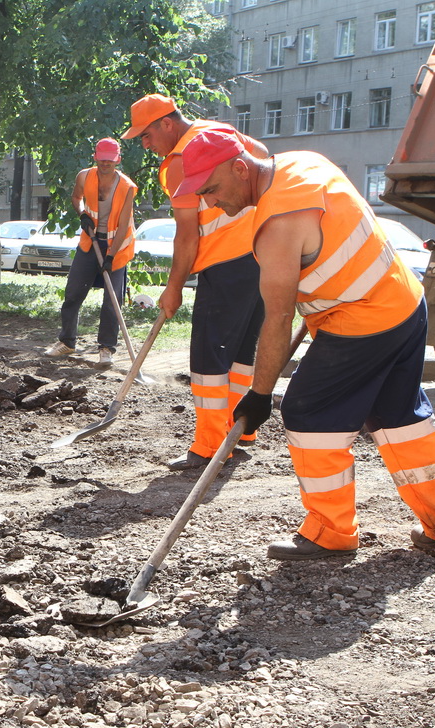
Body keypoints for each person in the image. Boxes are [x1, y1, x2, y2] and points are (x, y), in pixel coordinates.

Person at [172, 126, 435, 560]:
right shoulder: (303, 162)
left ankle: (331, 531)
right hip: (403, 301)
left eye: (211, 189)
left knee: (308, 412)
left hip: (362, 320)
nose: (209, 203)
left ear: (240, 169)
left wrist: (259, 395)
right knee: (400, 416)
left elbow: (278, 320)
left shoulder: (277, 227)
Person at [122, 94, 271, 471]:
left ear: (167, 124)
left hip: (226, 263)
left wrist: (173, 287)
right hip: (262, 254)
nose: (145, 145)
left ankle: (209, 446)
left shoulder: (180, 162)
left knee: (209, 359)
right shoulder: (218, 131)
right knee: (240, 353)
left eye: (146, 135)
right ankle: (240, 431)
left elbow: (187, 235)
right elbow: (263, 155)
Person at [43, 138, 136, 367]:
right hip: (89, 243)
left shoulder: (127, 187)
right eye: (102, 159)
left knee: (112, 300)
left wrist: (111, 256)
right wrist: (82, 214)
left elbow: (123, 227)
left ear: (118, 160)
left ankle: (106, 348)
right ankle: (67, 342)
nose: (105, 163)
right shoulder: (84, 177)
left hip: (117, 247)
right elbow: (77, 198)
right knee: (73, 293)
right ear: (95, 157)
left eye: (110, 160)